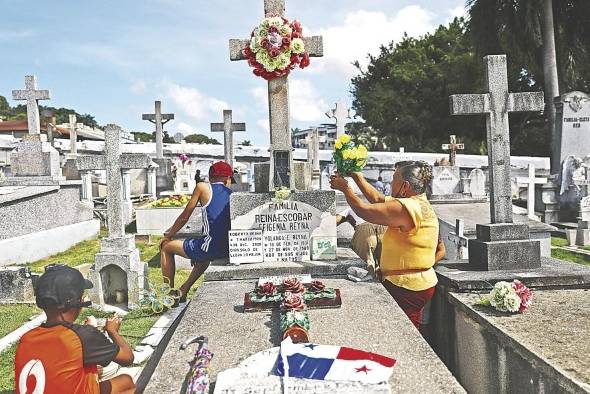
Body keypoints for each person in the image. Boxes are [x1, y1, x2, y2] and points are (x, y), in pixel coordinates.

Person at [330, 160, 439, 333]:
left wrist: (346, 189)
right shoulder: (416, 201)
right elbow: (377, 199)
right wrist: (358, 178)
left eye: (394, 179)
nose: (390, 183)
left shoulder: (407, 207)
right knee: (407, 327)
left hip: (407, 285)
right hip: (415, 281)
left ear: (405, 186)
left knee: (404, 332)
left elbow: (364, 211)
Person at [15, 264, 135, 394]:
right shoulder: (83, 336)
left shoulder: (26, 338)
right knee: (127, 382)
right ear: (79, 302)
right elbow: (127, 358)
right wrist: (113, 332)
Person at [160, 161, 234, 303]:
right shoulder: (232, 194)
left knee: (165, 247)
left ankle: (168, 295)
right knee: (202, 255)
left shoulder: (202, 187)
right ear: (227, 179)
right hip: (227, 248)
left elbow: (184, 218)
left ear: (211, 177)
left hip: (210, 247)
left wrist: (168, 235)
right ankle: (183, 290)